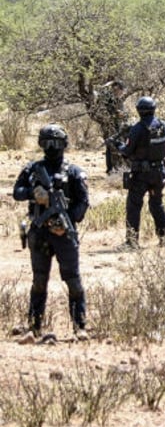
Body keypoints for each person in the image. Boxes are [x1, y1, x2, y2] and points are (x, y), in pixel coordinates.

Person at [12, 124, 90, 340]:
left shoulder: (73, 172)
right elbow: (16, 192)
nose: (52, 148)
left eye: (56, 143)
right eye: (47, 143)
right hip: (39, 232)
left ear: (64, 144)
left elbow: (83, 204)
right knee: (39, 281)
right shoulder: (32, 169)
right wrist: (33, 194)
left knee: (73, 281)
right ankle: (35, 326)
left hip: (63, 233)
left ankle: (79, 326)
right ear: (40, 144)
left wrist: (65, 223)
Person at [113, 96, 165, 249]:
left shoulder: (137, 129)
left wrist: (117, 145)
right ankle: (164, 238)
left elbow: (127, 151)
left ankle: (132, 241)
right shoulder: (164, 126)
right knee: (157, 204)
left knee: (133, 206)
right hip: (159, 173)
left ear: (139, 111)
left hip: (141, 175)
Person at [94, 80, 129, 174]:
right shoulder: (109, 100)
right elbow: (109, 114)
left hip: (114, 125)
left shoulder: (114, 99)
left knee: (111, 146)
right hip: (110, 126)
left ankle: (112, 168)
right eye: (119, 90)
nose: (120, 92)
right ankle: (112, 169)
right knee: (112, 146)